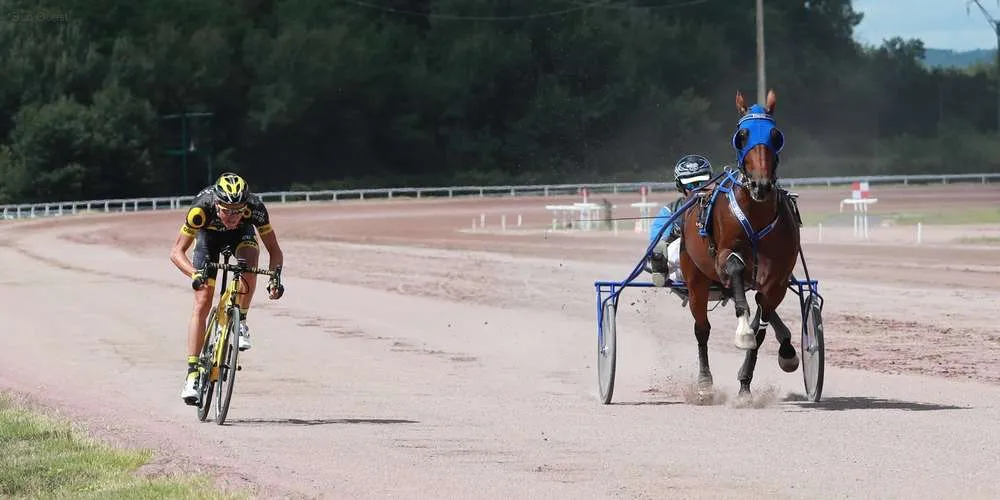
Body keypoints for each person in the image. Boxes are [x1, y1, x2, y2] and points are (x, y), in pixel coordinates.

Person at [169, 172, 285, 405]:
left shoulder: (255, 208)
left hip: (240, 238)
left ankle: (240, 320)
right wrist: (195, 273)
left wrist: (275, 278)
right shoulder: (201, 209)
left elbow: (274, 250)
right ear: (216, 204)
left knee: (250, 263)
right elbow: (176, 252)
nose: (232, 216)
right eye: (226, 210)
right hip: (208, 242)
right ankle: (192, 373)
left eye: (237, 211)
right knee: (203, 300)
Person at [648, 154, 714, 287]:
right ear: (680, 186)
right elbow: (656, 239)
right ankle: (660, 270)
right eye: (690, 184)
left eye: (701, 181)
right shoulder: (671, 210)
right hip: (684, 267)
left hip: (717, 261)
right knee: (663, 247)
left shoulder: (721, 205)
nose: (696, 188)